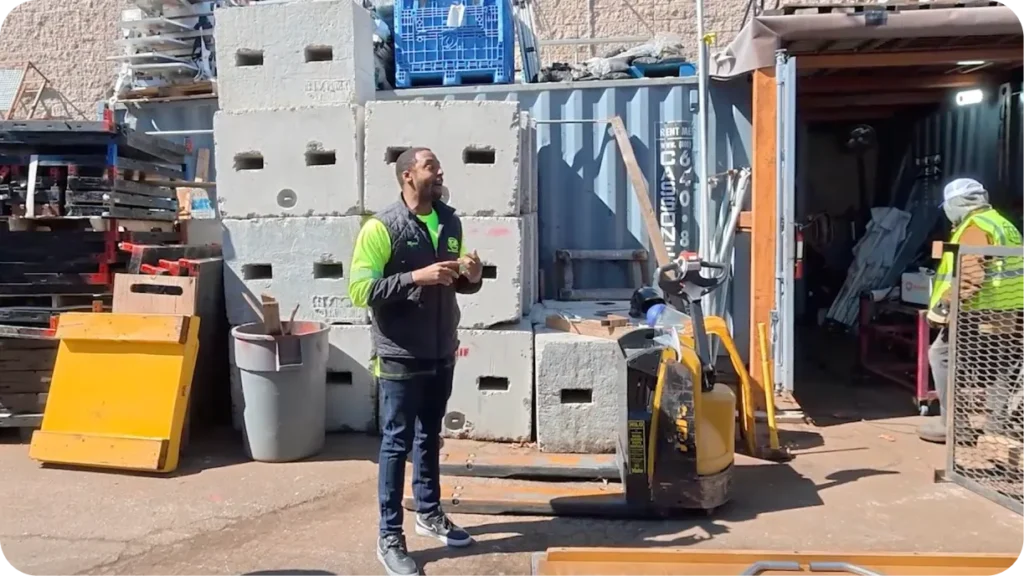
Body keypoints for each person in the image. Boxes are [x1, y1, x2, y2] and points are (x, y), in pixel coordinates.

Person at [348, 147, 483, 576]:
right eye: (430, 166)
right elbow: (359, 291)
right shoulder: (380, 228)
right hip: (400, 354)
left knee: (430, 438)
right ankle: (389, 536)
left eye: (438, 166)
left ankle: (429, 512)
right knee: (395, 444)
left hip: (442, 347)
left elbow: (453, 284)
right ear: (408, 176)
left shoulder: (450, 222)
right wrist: (413, 278)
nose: (439, 172)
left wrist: (471, 277)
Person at [918, 178, 1024, 444]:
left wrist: (944, 306)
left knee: (941, 355)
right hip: (1009, 307)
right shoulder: (1003, 224)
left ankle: (955, 425)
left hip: (979, 309)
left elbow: (969, 274)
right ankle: (996, 427)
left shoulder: (975, 227)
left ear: (956, 203)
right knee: (1002, 365)